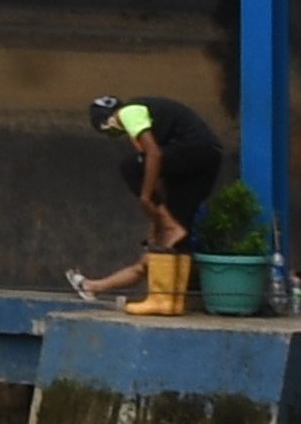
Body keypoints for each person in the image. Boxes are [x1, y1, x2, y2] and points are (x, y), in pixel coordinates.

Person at [70, 95, 224, 303]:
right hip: (207, 161)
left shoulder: (128, 114)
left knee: (130, 167)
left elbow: (154, 156)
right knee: (175, 240)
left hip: (194, 149)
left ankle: (159, 298)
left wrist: (145, 197)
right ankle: (166, 301)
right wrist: (156, 221)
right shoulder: (147, 123)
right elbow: (160, 178)